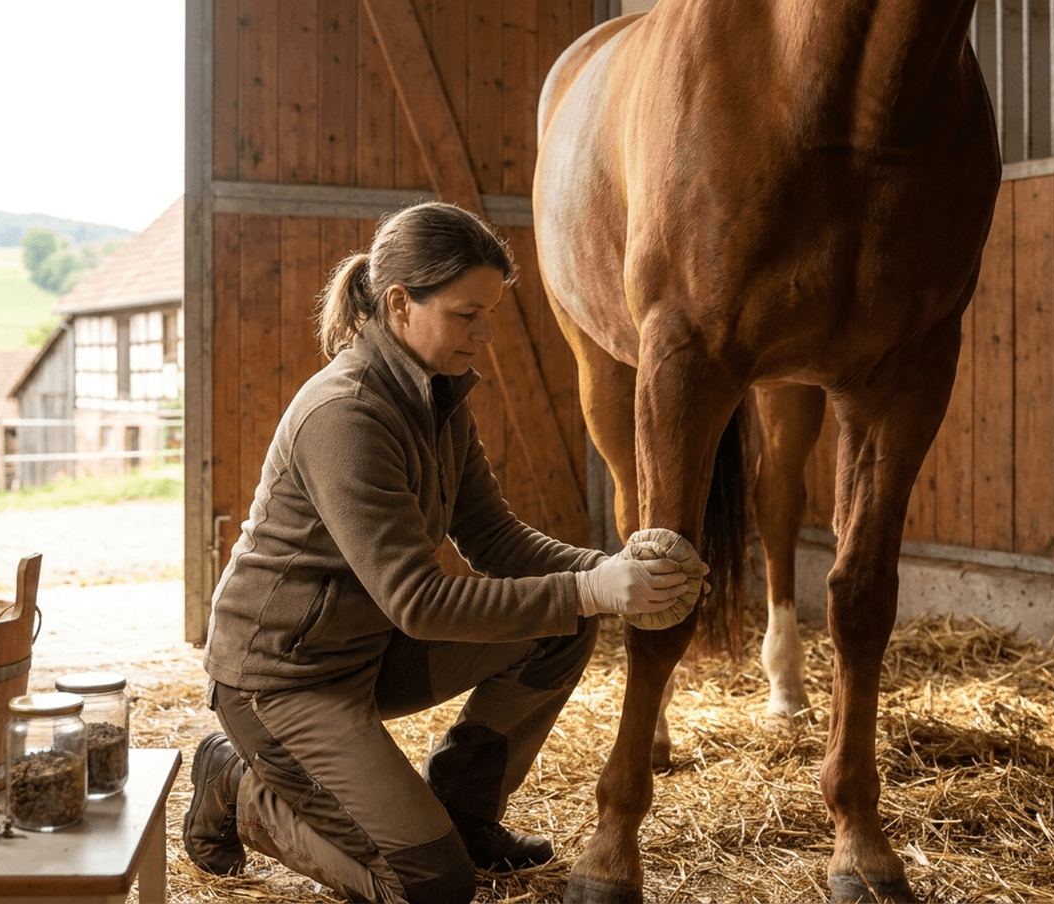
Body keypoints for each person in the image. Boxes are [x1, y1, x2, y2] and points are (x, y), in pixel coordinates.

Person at [181, 202, 705, 904]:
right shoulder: (346, 413)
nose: (483, 335)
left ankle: (464, 811)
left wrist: (615, 573)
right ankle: (240, 789)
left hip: (368, 652)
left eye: (488, 314)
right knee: (430, 885)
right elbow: (419, 602)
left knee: (561, 622)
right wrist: (598, 589)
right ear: (400, 303)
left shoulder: (437, 398)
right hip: (283, 678)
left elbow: (496, 539)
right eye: (467, 315)